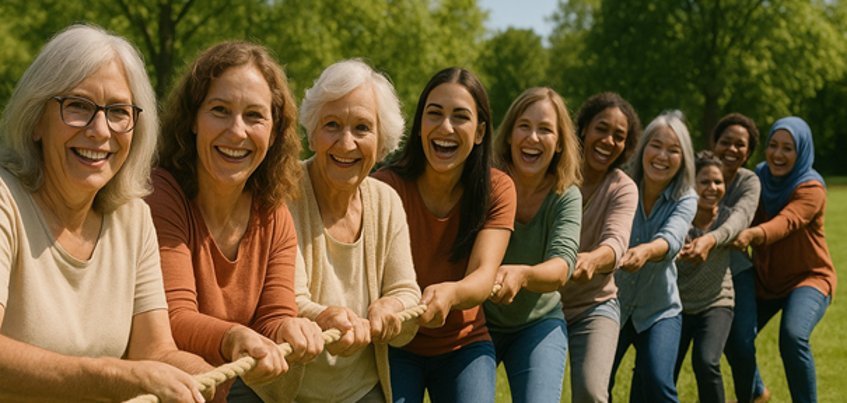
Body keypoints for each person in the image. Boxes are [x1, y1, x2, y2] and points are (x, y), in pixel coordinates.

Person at [0, 24, 211, 402]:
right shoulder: (5, 200)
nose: (100, 131)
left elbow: (156, 353)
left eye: (118, 111)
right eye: (78, 106)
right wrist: (113, 376)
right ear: (35, 121)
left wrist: (220, 370)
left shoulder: (133, 218)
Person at [147, 41, 324, 401]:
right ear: (193, 120)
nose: (237, 131)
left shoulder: (273, 213)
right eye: (220, 110)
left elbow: (273, 318)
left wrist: (290, 327)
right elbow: (174, 317)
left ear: (274, 132)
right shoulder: (161, 195)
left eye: (255, 116)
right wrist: (233, 336)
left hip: (234, 386)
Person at [251, 59, 422, 403]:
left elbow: (408, 295)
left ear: (382, 140)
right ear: (312, 132)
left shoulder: (386, 202)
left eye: (362, 128)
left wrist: (391, 308)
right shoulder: (282, 194)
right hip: (281, 392)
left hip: (360, 391)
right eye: (332, 125)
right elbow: (286, 303)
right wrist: (328, 317)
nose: (346, 143)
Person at [373, 67, 517, 403]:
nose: (445, 128)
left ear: (480, 132)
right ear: (420, 124)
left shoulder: (498, 189)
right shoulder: (384, 187)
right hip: (395, 344)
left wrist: (451, 294)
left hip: (463, 344)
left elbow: (483, 276)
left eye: (460, 117)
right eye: (434, 114)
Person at [483, 87, 582, 403]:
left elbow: (563, 265)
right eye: (524, 126)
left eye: (545, 129)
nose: (533, 137)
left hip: (538, 323)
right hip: (478, 321)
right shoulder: (485, 183)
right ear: (510, 134)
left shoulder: (566, 196)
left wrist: (522, 275)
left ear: (559, 143)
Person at [733, 117, 837, 403]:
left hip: (809, 279)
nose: (778, 154)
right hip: (766, 280)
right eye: (773, 145)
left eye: (788, 148)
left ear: (801, 151)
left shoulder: (811, 187)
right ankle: (757, 394)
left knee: (792, 336)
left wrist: (753, 234)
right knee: (735, 335)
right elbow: (744, 211)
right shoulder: (758, 177)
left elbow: (787, 221)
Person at [610, 110, 697, 402]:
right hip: (612, 306)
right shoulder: (620, 186)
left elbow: (672, 239)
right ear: (643, 147)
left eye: (673, 150)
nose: (662, 156)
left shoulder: (686, 198)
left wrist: (646, 251)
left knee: (659, 384)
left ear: (683, 158)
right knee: (594, 387)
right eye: (655, 145)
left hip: (660, 310)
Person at [561, 92, 640, 403]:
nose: (608, 140)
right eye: (601, 129)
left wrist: (593, 260)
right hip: (540, 305)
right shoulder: (556, 174)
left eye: (618, 136)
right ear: (584, 129)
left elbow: (616, 243)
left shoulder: (623, 188)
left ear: (626, 145)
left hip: (593, 306)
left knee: (592, 393)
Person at [680, 113, 762, 403]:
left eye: (740, 145)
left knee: (739, 341)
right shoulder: (689, 178)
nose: (731, 149)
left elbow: (742, 217)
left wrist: (711, 239)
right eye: (725, 142)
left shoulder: (748, 181)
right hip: (686, 284)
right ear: (714, 144)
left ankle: (752, 396)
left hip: (733, 272)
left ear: (749, 152)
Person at [674, 151, 734, 402]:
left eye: (718, 182)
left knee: (706, 361)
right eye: (705, 182)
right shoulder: (678, 219)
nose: (712, 188)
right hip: (677, 306)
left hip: (716, 302)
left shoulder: (729, 218)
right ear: (691, 184)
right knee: (660, 369)